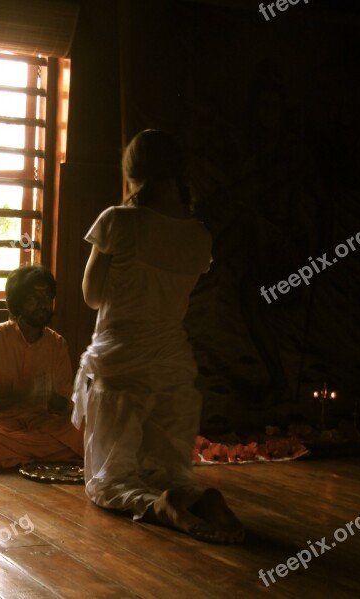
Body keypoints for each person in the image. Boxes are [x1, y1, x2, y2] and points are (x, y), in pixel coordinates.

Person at [74, 130, 245, 543]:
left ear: (132, 171)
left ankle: (160, 507)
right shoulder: (199, 235)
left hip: (120, 363)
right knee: (165, 470)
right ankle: (197, 497)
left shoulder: (118, 220)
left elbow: (92, 297)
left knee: (106, 482)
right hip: (172, 364)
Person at [0, 265, 83, 468]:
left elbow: (65, 404)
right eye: (33, 299)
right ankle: (52, 454)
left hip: (43, 424)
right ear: (17, 304)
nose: (42, 305)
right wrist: (26, 397)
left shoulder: (57, 344)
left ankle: (13, 456)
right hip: (0, 424)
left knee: (86, 429)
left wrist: (52, 400)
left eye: (47, 298)